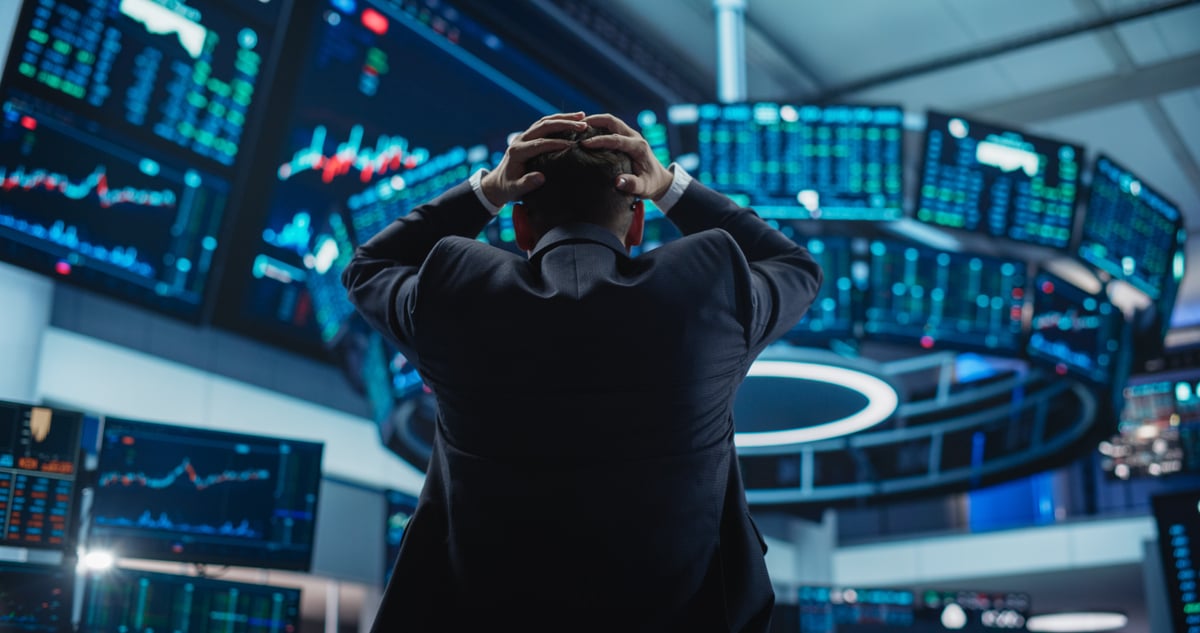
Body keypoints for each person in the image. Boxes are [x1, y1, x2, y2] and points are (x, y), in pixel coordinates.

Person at [343, 112, 823, 631]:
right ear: (637, 222)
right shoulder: (708, 287)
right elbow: (796, 267)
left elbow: (369, 267)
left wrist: (487, 191)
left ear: (520, 224)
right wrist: (670, 187)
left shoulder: (458, 288)